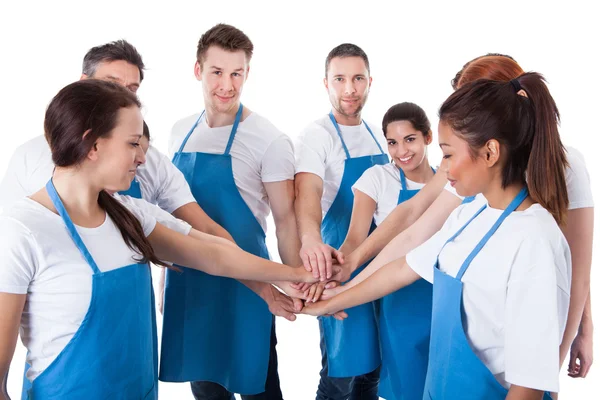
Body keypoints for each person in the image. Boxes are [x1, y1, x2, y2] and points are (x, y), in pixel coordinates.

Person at [0, 79, 317, 400]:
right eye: (133, 144)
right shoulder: (23, 230)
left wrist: (295, 276)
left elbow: (214, 253)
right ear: (92, 145)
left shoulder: (130, 215)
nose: (142, 158)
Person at [324, 54, 595, 380]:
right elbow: (414, 225)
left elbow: (575, 270)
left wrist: (570, 344)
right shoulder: (471, 175)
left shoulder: (560, 178)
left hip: (526, 335)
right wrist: (351, 270)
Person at [162, 24, 309, 400]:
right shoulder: (180, 131)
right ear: (198, 70)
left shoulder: (269, 139)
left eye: (236, 73)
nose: (227, 85)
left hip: (248, 281)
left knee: (259, 385)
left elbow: (286, 221)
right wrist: (163, 281)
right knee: (207, 388)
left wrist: (297, 280)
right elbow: (171, 215)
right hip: (193, 280)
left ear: (247, 73)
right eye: (217, 72)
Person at [294, 43, 388, 400]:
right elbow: (308, 195)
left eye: (358, 78)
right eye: (340, 79)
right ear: (326, 83)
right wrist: (311, 242)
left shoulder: (379, 134)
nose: (350, 88)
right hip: (339, 267)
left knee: (375, 371)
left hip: (383, 266)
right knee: (341, 373)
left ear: (369, 82)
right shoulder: (317, 135)